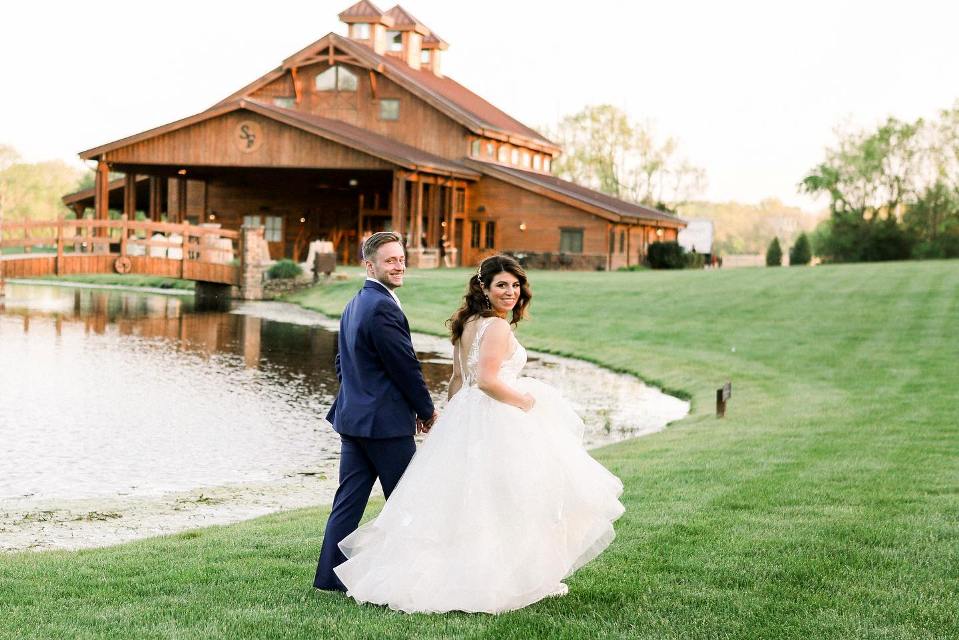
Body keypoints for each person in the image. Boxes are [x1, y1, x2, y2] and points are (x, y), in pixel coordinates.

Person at [333, 254, 625, 613]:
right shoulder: (497, 327)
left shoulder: (466, 322)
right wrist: (525, 401)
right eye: (502, 284)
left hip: (468, 414)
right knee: (514, 499)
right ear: (484, 288)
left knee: (471, 500)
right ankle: (507, 579)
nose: (511, 292)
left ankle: (495, 571)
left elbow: (459, 380)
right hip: (498, 418)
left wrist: (449, 421)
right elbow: (486, 381)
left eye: (516, 285)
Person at [313, 231, 439, 592]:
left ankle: (329, 580)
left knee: (347, 504)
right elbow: (405, 367)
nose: (399, 266)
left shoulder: (356, 303)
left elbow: (341, 362)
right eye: (390, 260)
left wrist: (359, 394)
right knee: (406, 501)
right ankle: (409, 578)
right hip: (383, 426)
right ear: (370, 265)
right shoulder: (381, 305)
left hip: (354, 420)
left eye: (401, 259)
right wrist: (426, 411)